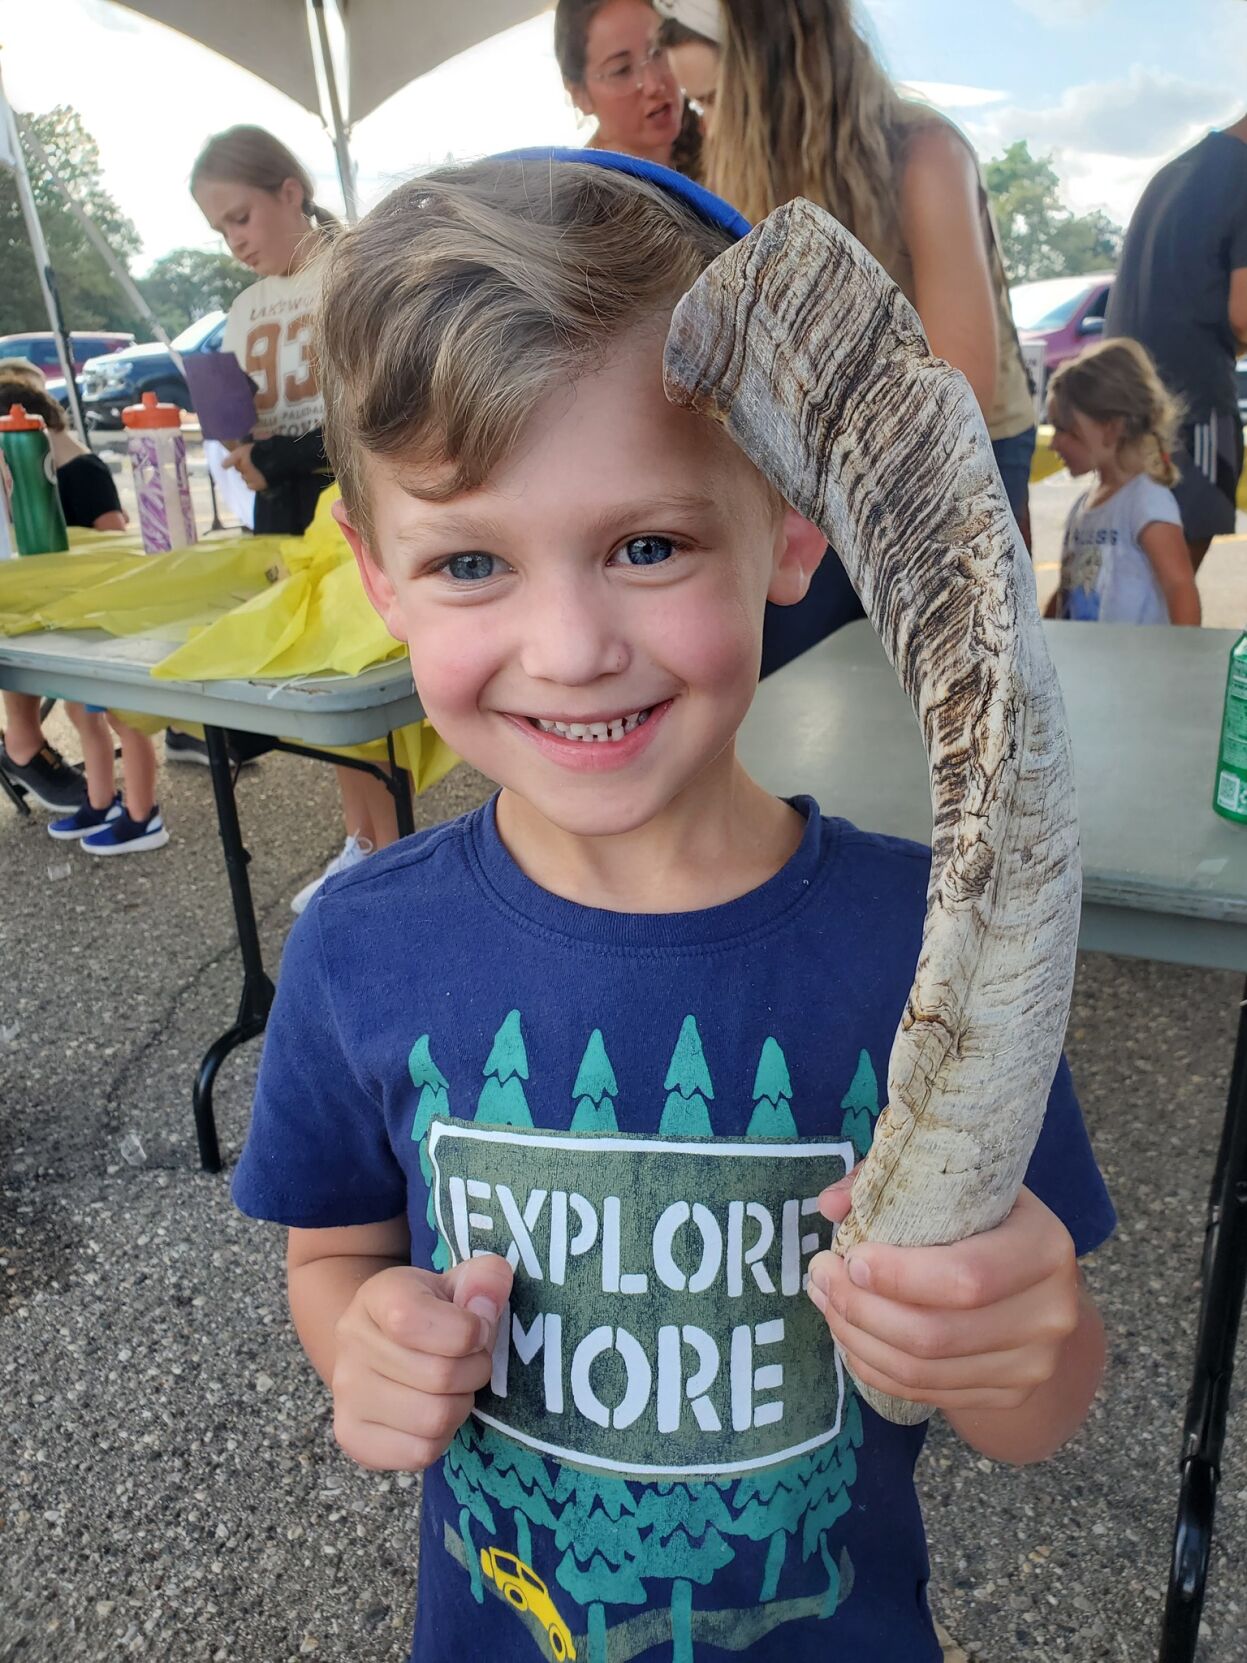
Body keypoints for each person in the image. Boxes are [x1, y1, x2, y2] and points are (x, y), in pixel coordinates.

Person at [232, 152, 1113, 1663]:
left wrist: (1018, 1347)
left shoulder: (934, 950)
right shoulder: (359, 943)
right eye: (468, 561)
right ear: (377, 574)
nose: (569, 646)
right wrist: (360, 1343)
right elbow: (336, 1257)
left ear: (785, 530)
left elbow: (1033, 1394)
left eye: (646, 545)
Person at [191, 124, 401, 911]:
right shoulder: (244, 307)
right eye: (219, 228)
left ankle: (389, 851)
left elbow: (370, 411)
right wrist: (241, 445)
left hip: (343, 501)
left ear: (289, 190)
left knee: (357, 678)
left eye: (239, 216)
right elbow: (249, 413)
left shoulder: (352, 268)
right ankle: (366, 841)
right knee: (316, 687)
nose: (233, 240)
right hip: (279, 512)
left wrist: (272, 457)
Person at [0, 369, 168, 851]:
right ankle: (101, 801)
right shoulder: (45, 472)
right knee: (82, 714)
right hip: (69, 622)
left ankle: (142, 815)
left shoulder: (82, 470)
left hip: (103, 621)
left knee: (125, 721)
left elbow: (114, 534)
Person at [1105, 114, 1247, 573]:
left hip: (1126, 405)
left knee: (1120, 572)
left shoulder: (1174, 173)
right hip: (1193, 410)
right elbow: (1243, 317)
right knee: (1170, 587)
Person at [1046, 338, 1200, 627]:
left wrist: (1180, 664)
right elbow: (1069, 589)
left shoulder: (1146, 500)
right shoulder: (1083, 506)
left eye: (1064, 430)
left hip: (1136, 668)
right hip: (1092, 664)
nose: (1054, 443)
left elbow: (1180, 587)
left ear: (1111, 428)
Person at [555, 0, 702, 175]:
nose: (654, 85)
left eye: (658, 52)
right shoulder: (587, 196)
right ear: (579, 95)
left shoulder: (713, 141)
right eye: (621, 70)